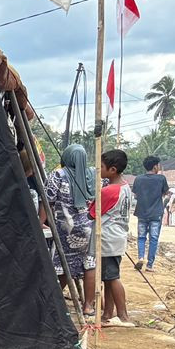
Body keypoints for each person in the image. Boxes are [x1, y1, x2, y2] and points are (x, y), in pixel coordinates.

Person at [46, 136, 97, 318]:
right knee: (89, 265)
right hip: (89, 228)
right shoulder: (92, 175)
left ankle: (53, 304)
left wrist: (41, 222)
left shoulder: (58, 175)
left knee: (61, 264)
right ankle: (88, 306)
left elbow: (47, 201)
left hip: (65, 229)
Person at [98, 149, 134, 327]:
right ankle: (107, 314)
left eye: (102, 166)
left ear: (112, 170)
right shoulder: (125, 187)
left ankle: (123, 315)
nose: (99, 169)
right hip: (118, 237)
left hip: (107, 239)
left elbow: (93, 214)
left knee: (112, 277)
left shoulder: (108, 191)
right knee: (108, 276)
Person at [132, 155, 169, 272]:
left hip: (142, 212)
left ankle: (141, 257)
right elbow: (165, 193)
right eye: (158, 165)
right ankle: (149, 265)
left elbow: (136, 195)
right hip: (156, 214)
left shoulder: (138, 179)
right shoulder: (161, 179)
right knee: (153, 239)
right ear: (154, 166)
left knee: (141, 237)